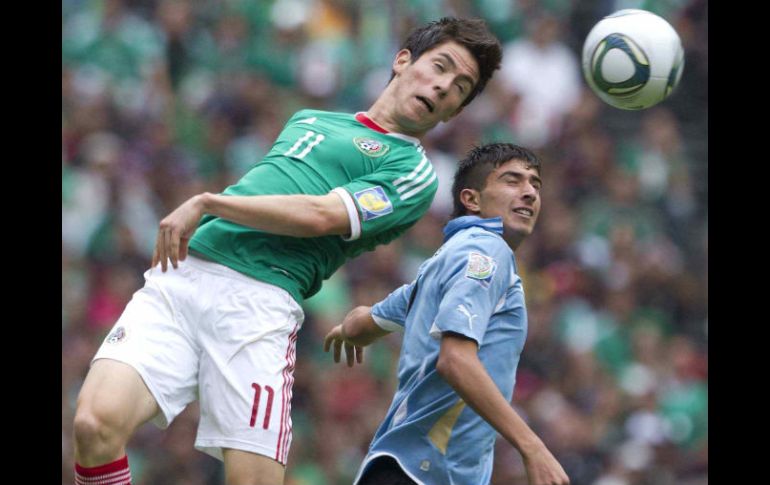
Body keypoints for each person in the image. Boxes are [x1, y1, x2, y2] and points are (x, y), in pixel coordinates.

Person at [72, 17, 503, 485]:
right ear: (403, 61)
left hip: (258, 306)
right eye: (440, 67)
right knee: (94, 424)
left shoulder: (413, 172)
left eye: (460, 87)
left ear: (455, 110)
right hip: (184, 276)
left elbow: (321, 215)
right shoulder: (309, 120)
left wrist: (210, 201)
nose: (443, 87)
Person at [324, 143, 570, 485]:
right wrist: (532, 447)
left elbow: (363, 321)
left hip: (404, 468)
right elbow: (455, 360)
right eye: (513, 181)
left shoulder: (440, 263)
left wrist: (347, 330)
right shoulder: (487, 251)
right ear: (472, 200)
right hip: (420, 472)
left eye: (535, 184)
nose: (529, 192)